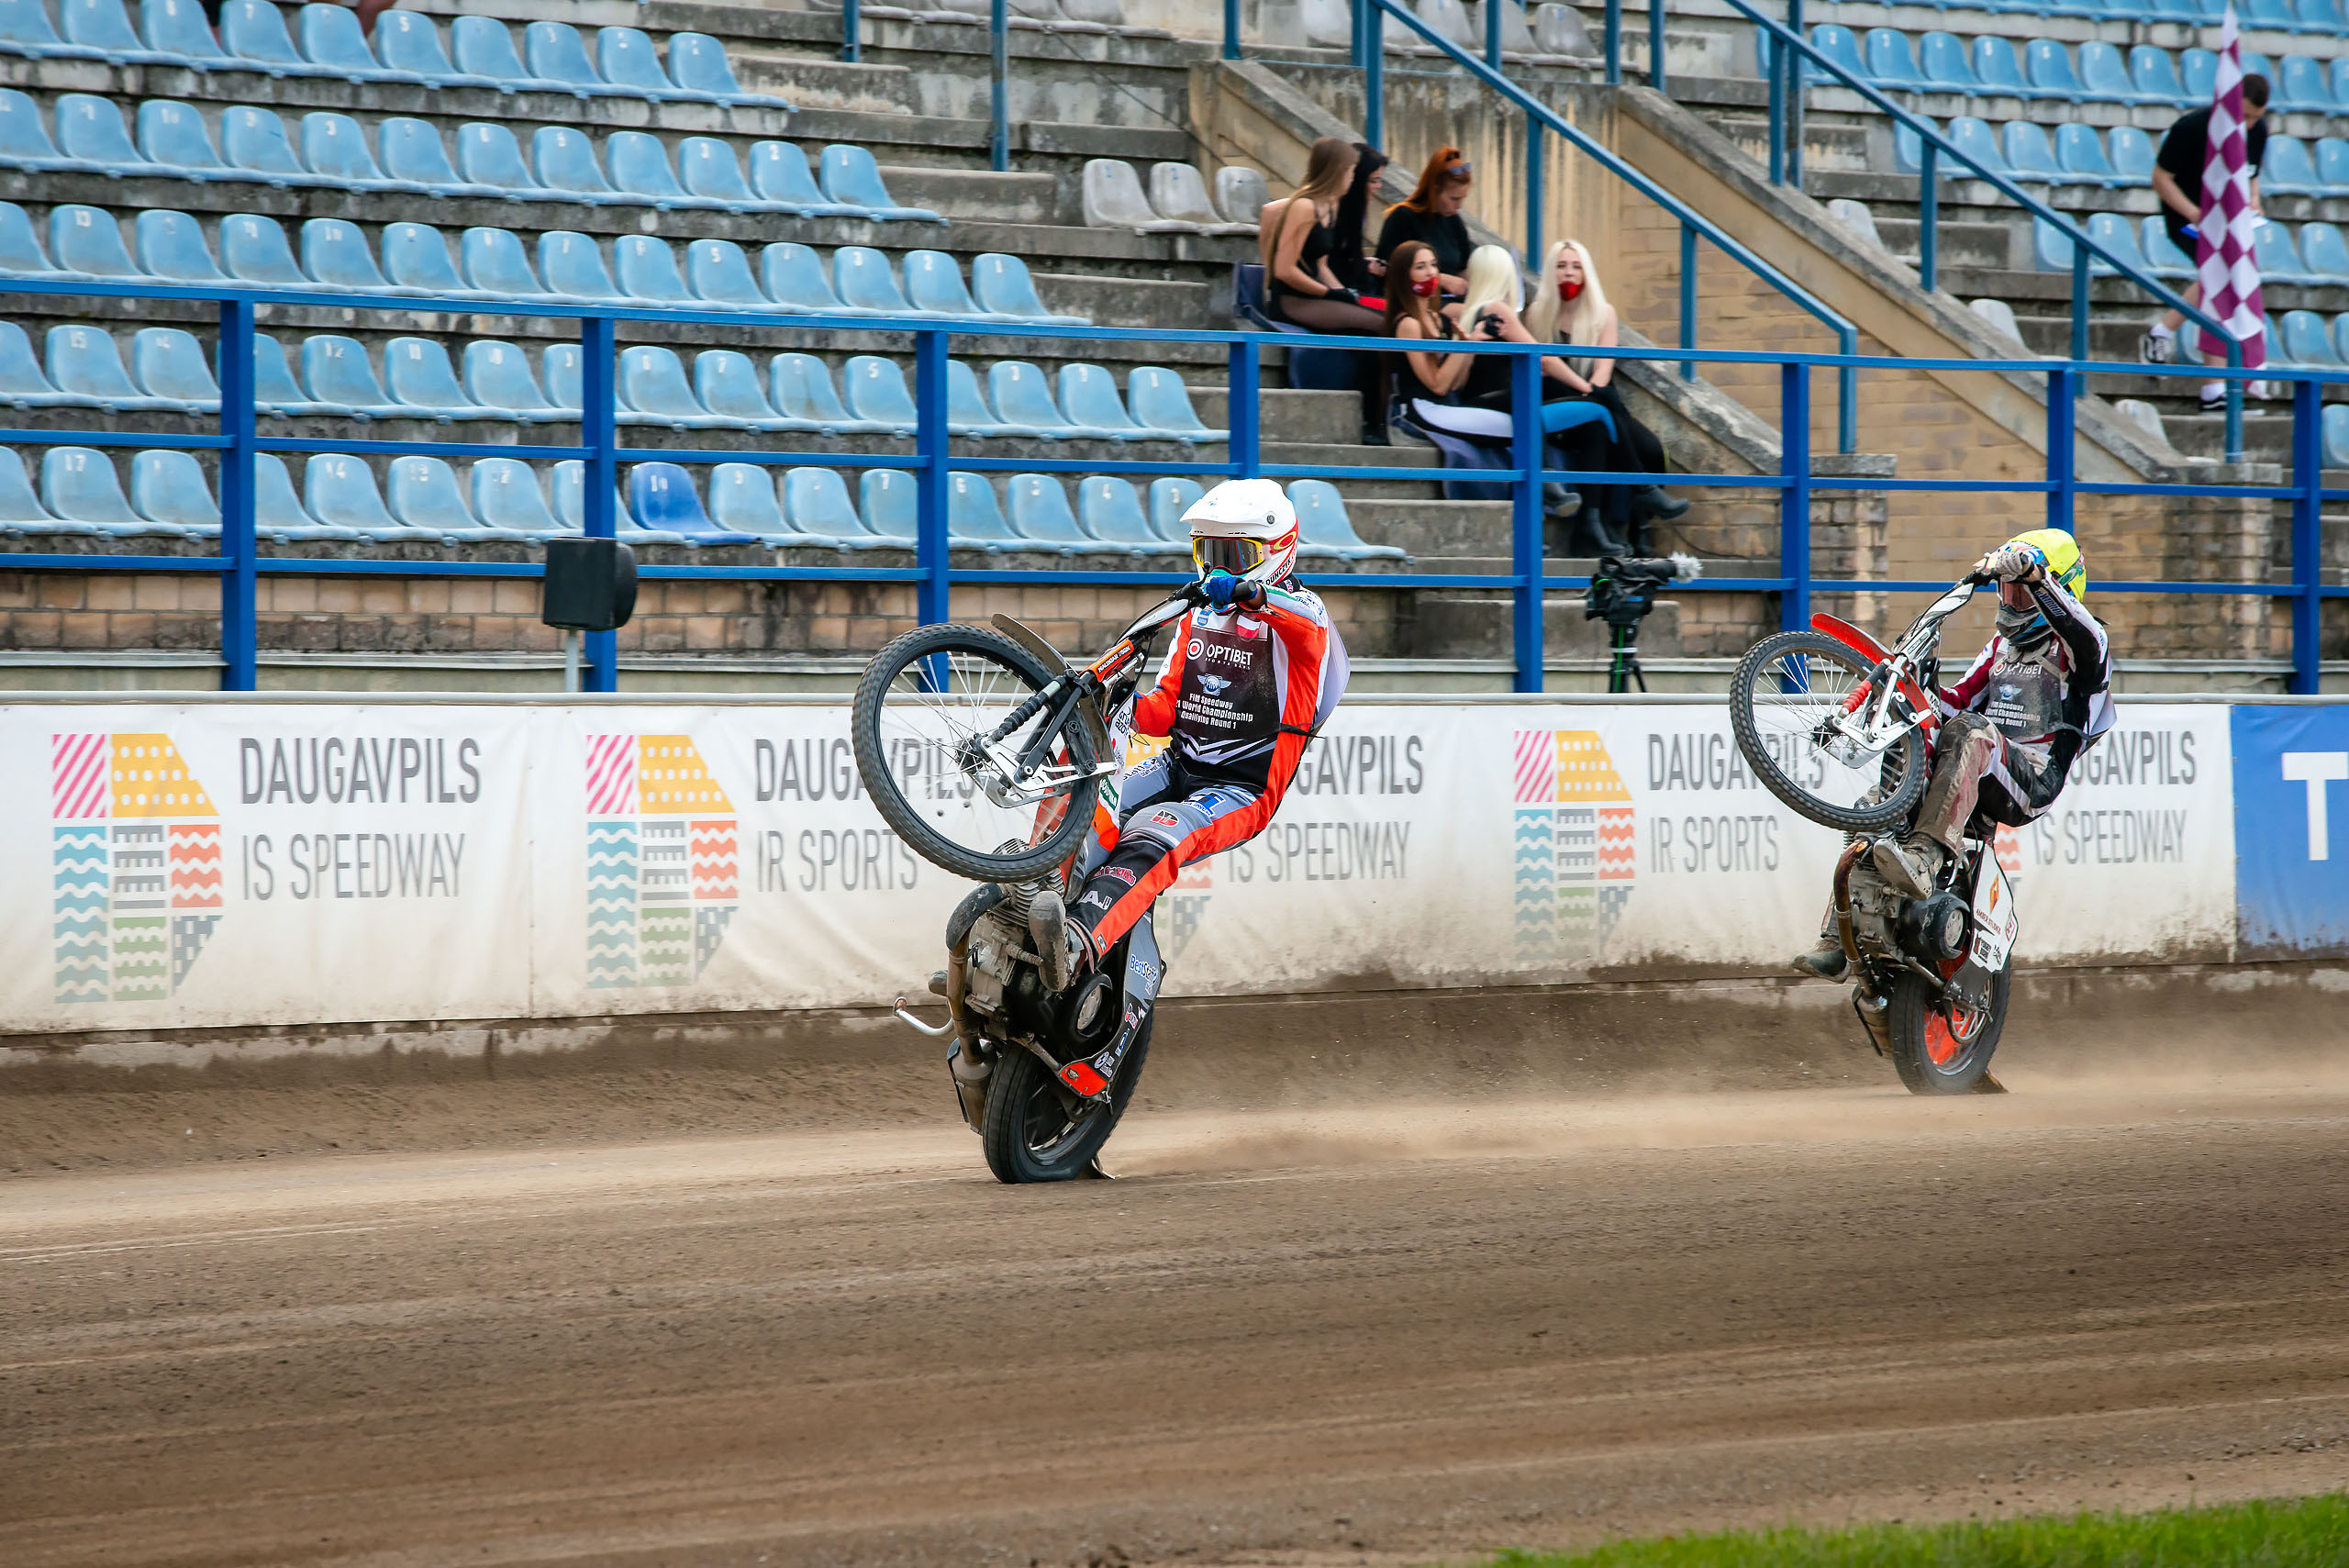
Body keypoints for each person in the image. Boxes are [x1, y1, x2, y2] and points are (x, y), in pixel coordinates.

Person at [1027, 479, 1349, 992]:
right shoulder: (1198, 614)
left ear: (1277, 551)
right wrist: (1120, 708)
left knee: (1155, 831)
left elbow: (1304, 626)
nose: (1218, 568)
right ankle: (1016, 923)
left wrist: (1254, 594)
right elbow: (1165, 710)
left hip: (1243, 789)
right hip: (1178, 763)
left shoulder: (1304, 615)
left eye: (1235, 554)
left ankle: (1075, 941)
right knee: (1078, 808)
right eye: (1208, 552)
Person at [1793, 529, 2115, 979]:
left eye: (2025, 593)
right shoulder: (2001, 648)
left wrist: (2034, 577)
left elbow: (2086, 636)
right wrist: (1911, 692)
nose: (2015, 601)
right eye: (2010, 591)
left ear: (2060, 587)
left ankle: (1924, 855)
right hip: (1979, 767)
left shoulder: (2085, 650)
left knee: (1971, 731)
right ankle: (1838, 935)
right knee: (1886, 787)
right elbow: (1955, 701)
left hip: (2032, 780)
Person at [1517, 239, 1689, 531]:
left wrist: (1590, 396)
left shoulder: (1603, 313)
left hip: (1596, 396)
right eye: (1560, 266)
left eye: (1575, 266)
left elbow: (1603, 371)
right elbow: (1542, 367)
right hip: (1559, 403)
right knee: (1600, 421)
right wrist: (1588, 398)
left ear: (1586, 273)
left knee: (1651, 449)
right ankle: (1642, 498)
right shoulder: (1536, 313)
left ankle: (1641, 522)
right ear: (1550, 272)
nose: (1568, 272)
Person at [2139, 73, 2272, 411]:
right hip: (2188, 218)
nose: (2250, 123)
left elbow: (2251, 174)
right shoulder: (2192, 128)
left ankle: (2165, 334)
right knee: (2220, 278)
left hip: (2229, 222)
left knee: (2224, 279)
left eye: (2256, 117)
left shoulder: (2257, 130)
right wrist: (2195, 215)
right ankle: (2209, 385)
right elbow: (2160, 179)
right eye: (2245, 115)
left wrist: (2254, 200)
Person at [1260, 137, 1391, 443]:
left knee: (1383, 321)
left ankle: (1378, 419)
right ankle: (1374, 422)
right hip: (1294, 300)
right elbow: (1284, 270)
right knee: (1380, 325)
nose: (1352, 179)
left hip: (1317, 295)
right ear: (1336, 171)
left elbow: (1321, 265)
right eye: (1349, 172)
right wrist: (1329, 295)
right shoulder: (1304, 207)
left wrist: (1344, 293)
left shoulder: (1329, 206)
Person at [1375, 146, 1475, 297]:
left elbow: (1463, 266)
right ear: (1434, 189)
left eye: (1463, 198)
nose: (1459, 205)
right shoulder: (1403, 217)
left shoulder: (1453, 221)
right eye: (1454, 198)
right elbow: (1388, 270)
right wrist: (1440, 279)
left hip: (1449, 300)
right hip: (1414, 301)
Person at [1326, 141, 1392, 300]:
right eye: (1373, 181)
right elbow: (1326, 263)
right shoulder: (1330, 210)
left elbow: (1342, 258)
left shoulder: (1354, 211)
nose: (1378, 186)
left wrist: (1363, 263)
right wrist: (1346, 296)